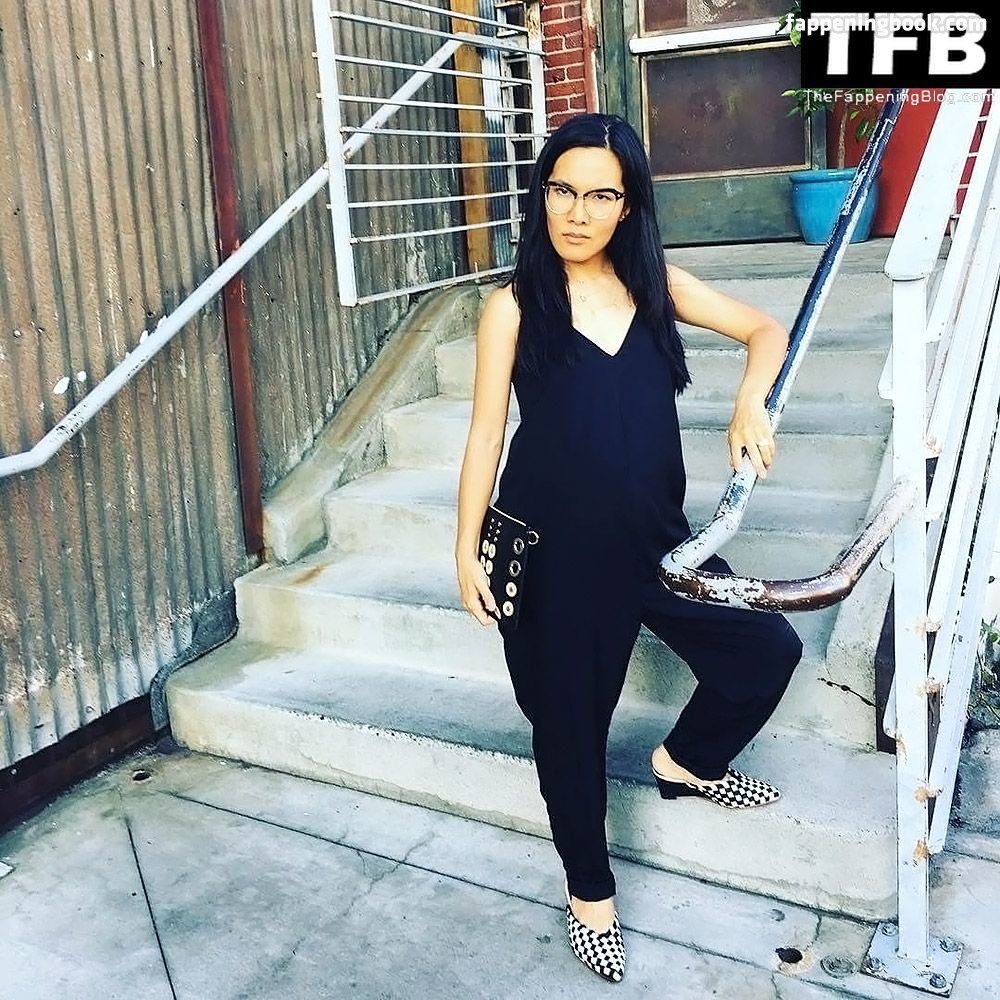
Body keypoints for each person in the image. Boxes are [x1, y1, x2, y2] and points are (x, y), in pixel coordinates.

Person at [453, 112, 804, 985]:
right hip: (551, 554)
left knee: (766, 650)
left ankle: (687, 763)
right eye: (562, 190)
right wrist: (465, 548)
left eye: (600, 195)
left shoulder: (660, 289)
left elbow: (765, 330)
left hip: (656, 542)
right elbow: (486, 433)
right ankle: (590, 896)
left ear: (628, 205)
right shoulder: (513, 307)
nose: (577, 212)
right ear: (542, 196)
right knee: (569, 732)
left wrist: (749, 402)